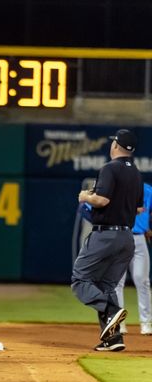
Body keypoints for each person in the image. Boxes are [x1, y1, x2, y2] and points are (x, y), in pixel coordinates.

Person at [72, 129, 144, 352]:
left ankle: (112, 311)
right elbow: (139, 208)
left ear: (115, 145)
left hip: (106, 236)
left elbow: (101, 200)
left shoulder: (109, 168)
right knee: (107, 286)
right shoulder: (136, 174)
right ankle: (113, 339)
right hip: (126, 237)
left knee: (80, 280)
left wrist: (86, 197)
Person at [115, 182, 152, 335]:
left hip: (138, 238)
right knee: (117, 283)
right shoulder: (114, 187)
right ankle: (118, 323)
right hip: (119, 237)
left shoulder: (147, 190)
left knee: (142, 281)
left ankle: (146, 323)